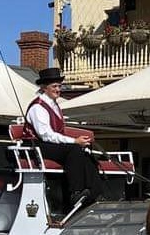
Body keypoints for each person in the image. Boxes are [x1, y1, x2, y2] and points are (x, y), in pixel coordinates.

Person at [24, 67, 102, 208]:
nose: (58, 89)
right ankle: (75, 192)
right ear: (44, 87)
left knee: (86, 154)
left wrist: (79, 142)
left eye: (59, 86)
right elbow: (46, 135)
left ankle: (94, 191)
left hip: (51, 145)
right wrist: (74, 141)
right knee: (74, 150)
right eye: (54, 86)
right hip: (37, 145)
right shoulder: (38, 107)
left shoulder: (54, 105)